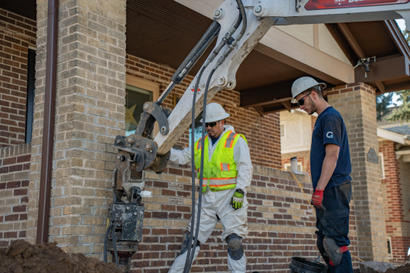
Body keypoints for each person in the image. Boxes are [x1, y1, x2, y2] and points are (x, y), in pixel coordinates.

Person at [167, 102, 253, 273]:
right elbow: (183, 156)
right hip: (207, 199)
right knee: (190, 240)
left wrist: (240, 190)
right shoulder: (200, 143)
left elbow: (245, 166)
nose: (208, 127)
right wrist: (162, 151)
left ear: (222, 122)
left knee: (234, 242)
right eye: (206, 124)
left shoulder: (235, 140)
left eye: (212, 124)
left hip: (229, 198)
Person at [291, 76, 353, 273]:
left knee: (335, 245)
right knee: (324, 243)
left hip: (334, 188)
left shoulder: (330, 117)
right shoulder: (321, 120)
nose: (300, 106)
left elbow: (332, 156)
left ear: (314, 94)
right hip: (328, 189)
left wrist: (319, 189)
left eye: (301, 101)